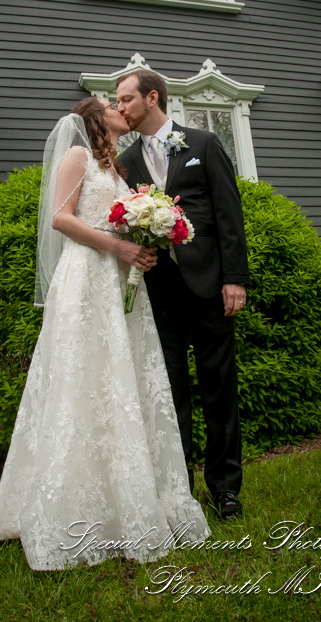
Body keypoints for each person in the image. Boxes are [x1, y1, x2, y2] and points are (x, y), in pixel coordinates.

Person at [0, 97, 210, 570]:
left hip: (117, 279)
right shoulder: (76, 154)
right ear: (96, 118)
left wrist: (144, 240)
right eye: (113, 105)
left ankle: (125, 502)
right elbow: (61, 217)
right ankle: (74, 510)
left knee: (119, 382)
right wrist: (119, 245)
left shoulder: (115, 167)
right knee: (84, 383)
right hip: (85, 277)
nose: (122, 109)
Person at [117, 70, 250, 520]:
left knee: (218, 385)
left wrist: (235, 278)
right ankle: (181, 489)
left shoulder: (204, 143)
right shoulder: (127, 159)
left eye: (126, 100)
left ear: (152, 97)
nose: (121, 108)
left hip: (211, 282)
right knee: (170, 390)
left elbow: (228, 213)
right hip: (160, 291)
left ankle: (226, 488)